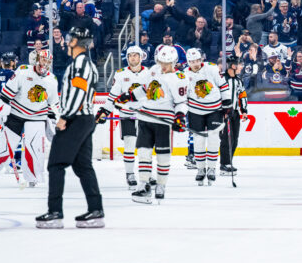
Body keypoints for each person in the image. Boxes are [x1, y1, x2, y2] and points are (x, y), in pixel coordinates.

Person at [36, 27, 103, 228]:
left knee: (56, 164)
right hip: (84, 119)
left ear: (77, 42)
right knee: (83, 166)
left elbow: (78, 93)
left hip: (76, 119)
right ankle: (96, 210)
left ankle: (55, 212)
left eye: (70, 38)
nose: (66, 42)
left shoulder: (80, 65)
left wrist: (65, 117)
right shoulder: (84, 64)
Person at [0, 49, 58, 187]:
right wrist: (2, 110)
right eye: (43, 60)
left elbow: (52, 103)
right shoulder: (23, 71)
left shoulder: (52, 80)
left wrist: (52, 120)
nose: (45, 64)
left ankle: (33, 177)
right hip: (16, 113)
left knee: (34, 147)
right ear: (37, 60)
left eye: (48, 61)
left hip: (37, 116)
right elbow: (5, 95)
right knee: (4, 144)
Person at [129, 45, 189, 203]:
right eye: (161, 62)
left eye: (167, 63)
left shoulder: (179, 78)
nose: (163, 66)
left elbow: (181, 102)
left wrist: (180, 117)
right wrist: (128, 96)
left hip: (163, 121)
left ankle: (161, 185)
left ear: (174, 62)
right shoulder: (154, 70)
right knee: (143, 152)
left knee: (163, 155)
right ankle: (143, 184)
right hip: (145, 117)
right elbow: (144, 88)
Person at [99, 45, 150, 190]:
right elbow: (113, 96)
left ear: (141, 57)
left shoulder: (149, 73)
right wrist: (105, 111)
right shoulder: (120, 74)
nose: (133, 58)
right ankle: (130, 174)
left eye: (135, 55)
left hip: (145, 116)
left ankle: (146, 174)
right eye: (130, 55)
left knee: (145, 147)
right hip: (127, 115)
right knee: (130, 144)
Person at [183, 48, 231, 186]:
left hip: (214, 109)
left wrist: (227, 102)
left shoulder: (212, 68)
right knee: (198, 140)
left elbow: (223, 85)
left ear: (201, 59)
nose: (195, 64)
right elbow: (182, 94)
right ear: (188, 62)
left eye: (197, 61)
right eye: (192, 61)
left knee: (214, 138)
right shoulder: (184, 74)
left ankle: (211, 168)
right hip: (195, 110)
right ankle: (200, 169)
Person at [220, 57, 248, 176]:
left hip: (235, 113)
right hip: (224, 113)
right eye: (238, 64)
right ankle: (224, 164)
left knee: (235, 139)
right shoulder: (221, 79)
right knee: (226, 138)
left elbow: (242, 95)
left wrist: (244, 111)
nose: (241, 67)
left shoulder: (238, 81)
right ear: (233, 66)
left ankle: (229, 162)